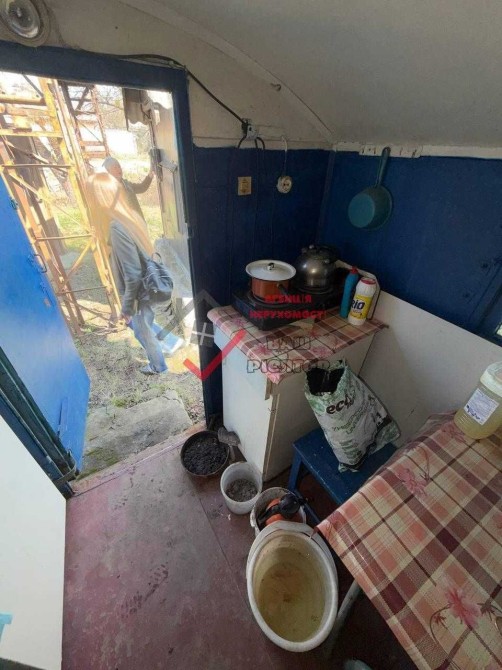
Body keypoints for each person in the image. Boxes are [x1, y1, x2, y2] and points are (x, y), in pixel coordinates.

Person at [86, 171, 169, 375]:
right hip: (147, 287)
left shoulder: (116, 227)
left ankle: (158, 366)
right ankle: (171, 343)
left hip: (138, 292)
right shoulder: (131, 216)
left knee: (142, 331)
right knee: (145, 323)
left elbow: (133, 274)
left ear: (97, 199)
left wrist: (127, 306)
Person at [102, 156, 154, 221]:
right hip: (122, 224)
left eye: (119, 166)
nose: (119, 169)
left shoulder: (127, 184)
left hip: (137, 222)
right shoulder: (108, 190)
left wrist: (150, 175)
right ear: (108, 171)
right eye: (115, 167)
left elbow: (142, 188)